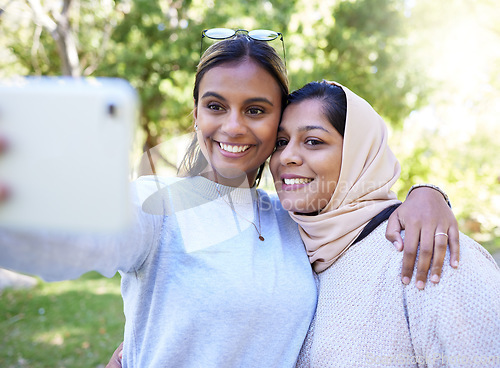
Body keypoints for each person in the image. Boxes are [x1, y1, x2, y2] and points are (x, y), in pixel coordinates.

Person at [1, 33, 457, 367]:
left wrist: (429, 194)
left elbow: (358, 204)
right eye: (216, 106)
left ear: (279, 119)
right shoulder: (159, 206)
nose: (234, 127)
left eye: (255, 110)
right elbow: (80, 236)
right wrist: (21, 203)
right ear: (196, 113)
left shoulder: (290, 220)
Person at [268, 80, 500, 367]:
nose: (287, 156)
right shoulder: (287, 252)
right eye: (280, 142)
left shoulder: (426, 250)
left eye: (313, 141)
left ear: (360, 152)